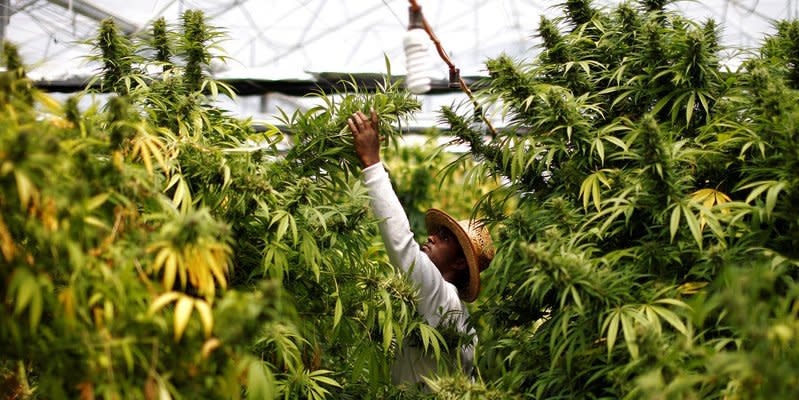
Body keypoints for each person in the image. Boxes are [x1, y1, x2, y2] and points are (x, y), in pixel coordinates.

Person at [347, 109, 495, 385]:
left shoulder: (443, 299)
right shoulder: (454, 317)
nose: (432, 238)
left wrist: (372, 163)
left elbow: (403, 245)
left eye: (446, 238)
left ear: (461, 262)